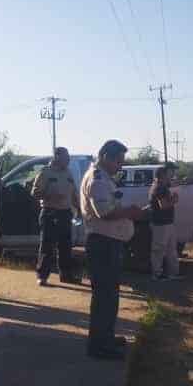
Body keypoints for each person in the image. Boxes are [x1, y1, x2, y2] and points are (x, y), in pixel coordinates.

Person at [81, 140, 146, 359]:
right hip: (103, 244)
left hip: (109, 243)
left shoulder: (104, 177)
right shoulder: (98, 179)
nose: (120, 166)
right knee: (104, 297)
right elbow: (104, 213)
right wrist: (130, 212)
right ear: (106, 156)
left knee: (110, 295)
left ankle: (106, 337)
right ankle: (99, 346)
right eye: (118, 161)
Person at [31, 146, 80, 286]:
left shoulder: (68, 172)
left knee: (65, 246)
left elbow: (74, 194)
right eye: (66, 157)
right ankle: (42, 276)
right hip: (50, 212)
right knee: (47, 245)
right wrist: (49, 195)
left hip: (65, 213)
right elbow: (34, 192)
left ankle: (66, 275)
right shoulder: (46, 172)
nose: (68, 159)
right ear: (57, 157)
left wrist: (79, 208)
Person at [149, 163, 184, 281]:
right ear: (163, 175)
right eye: (169, 173)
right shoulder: (159, 187)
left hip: (166, 222)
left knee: (170, 250)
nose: (171, 175)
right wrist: (174, 200)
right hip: (161, 223)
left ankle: (172, 273)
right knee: (159, 250)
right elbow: (163, 205)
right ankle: (157, 274)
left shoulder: (162, 186)